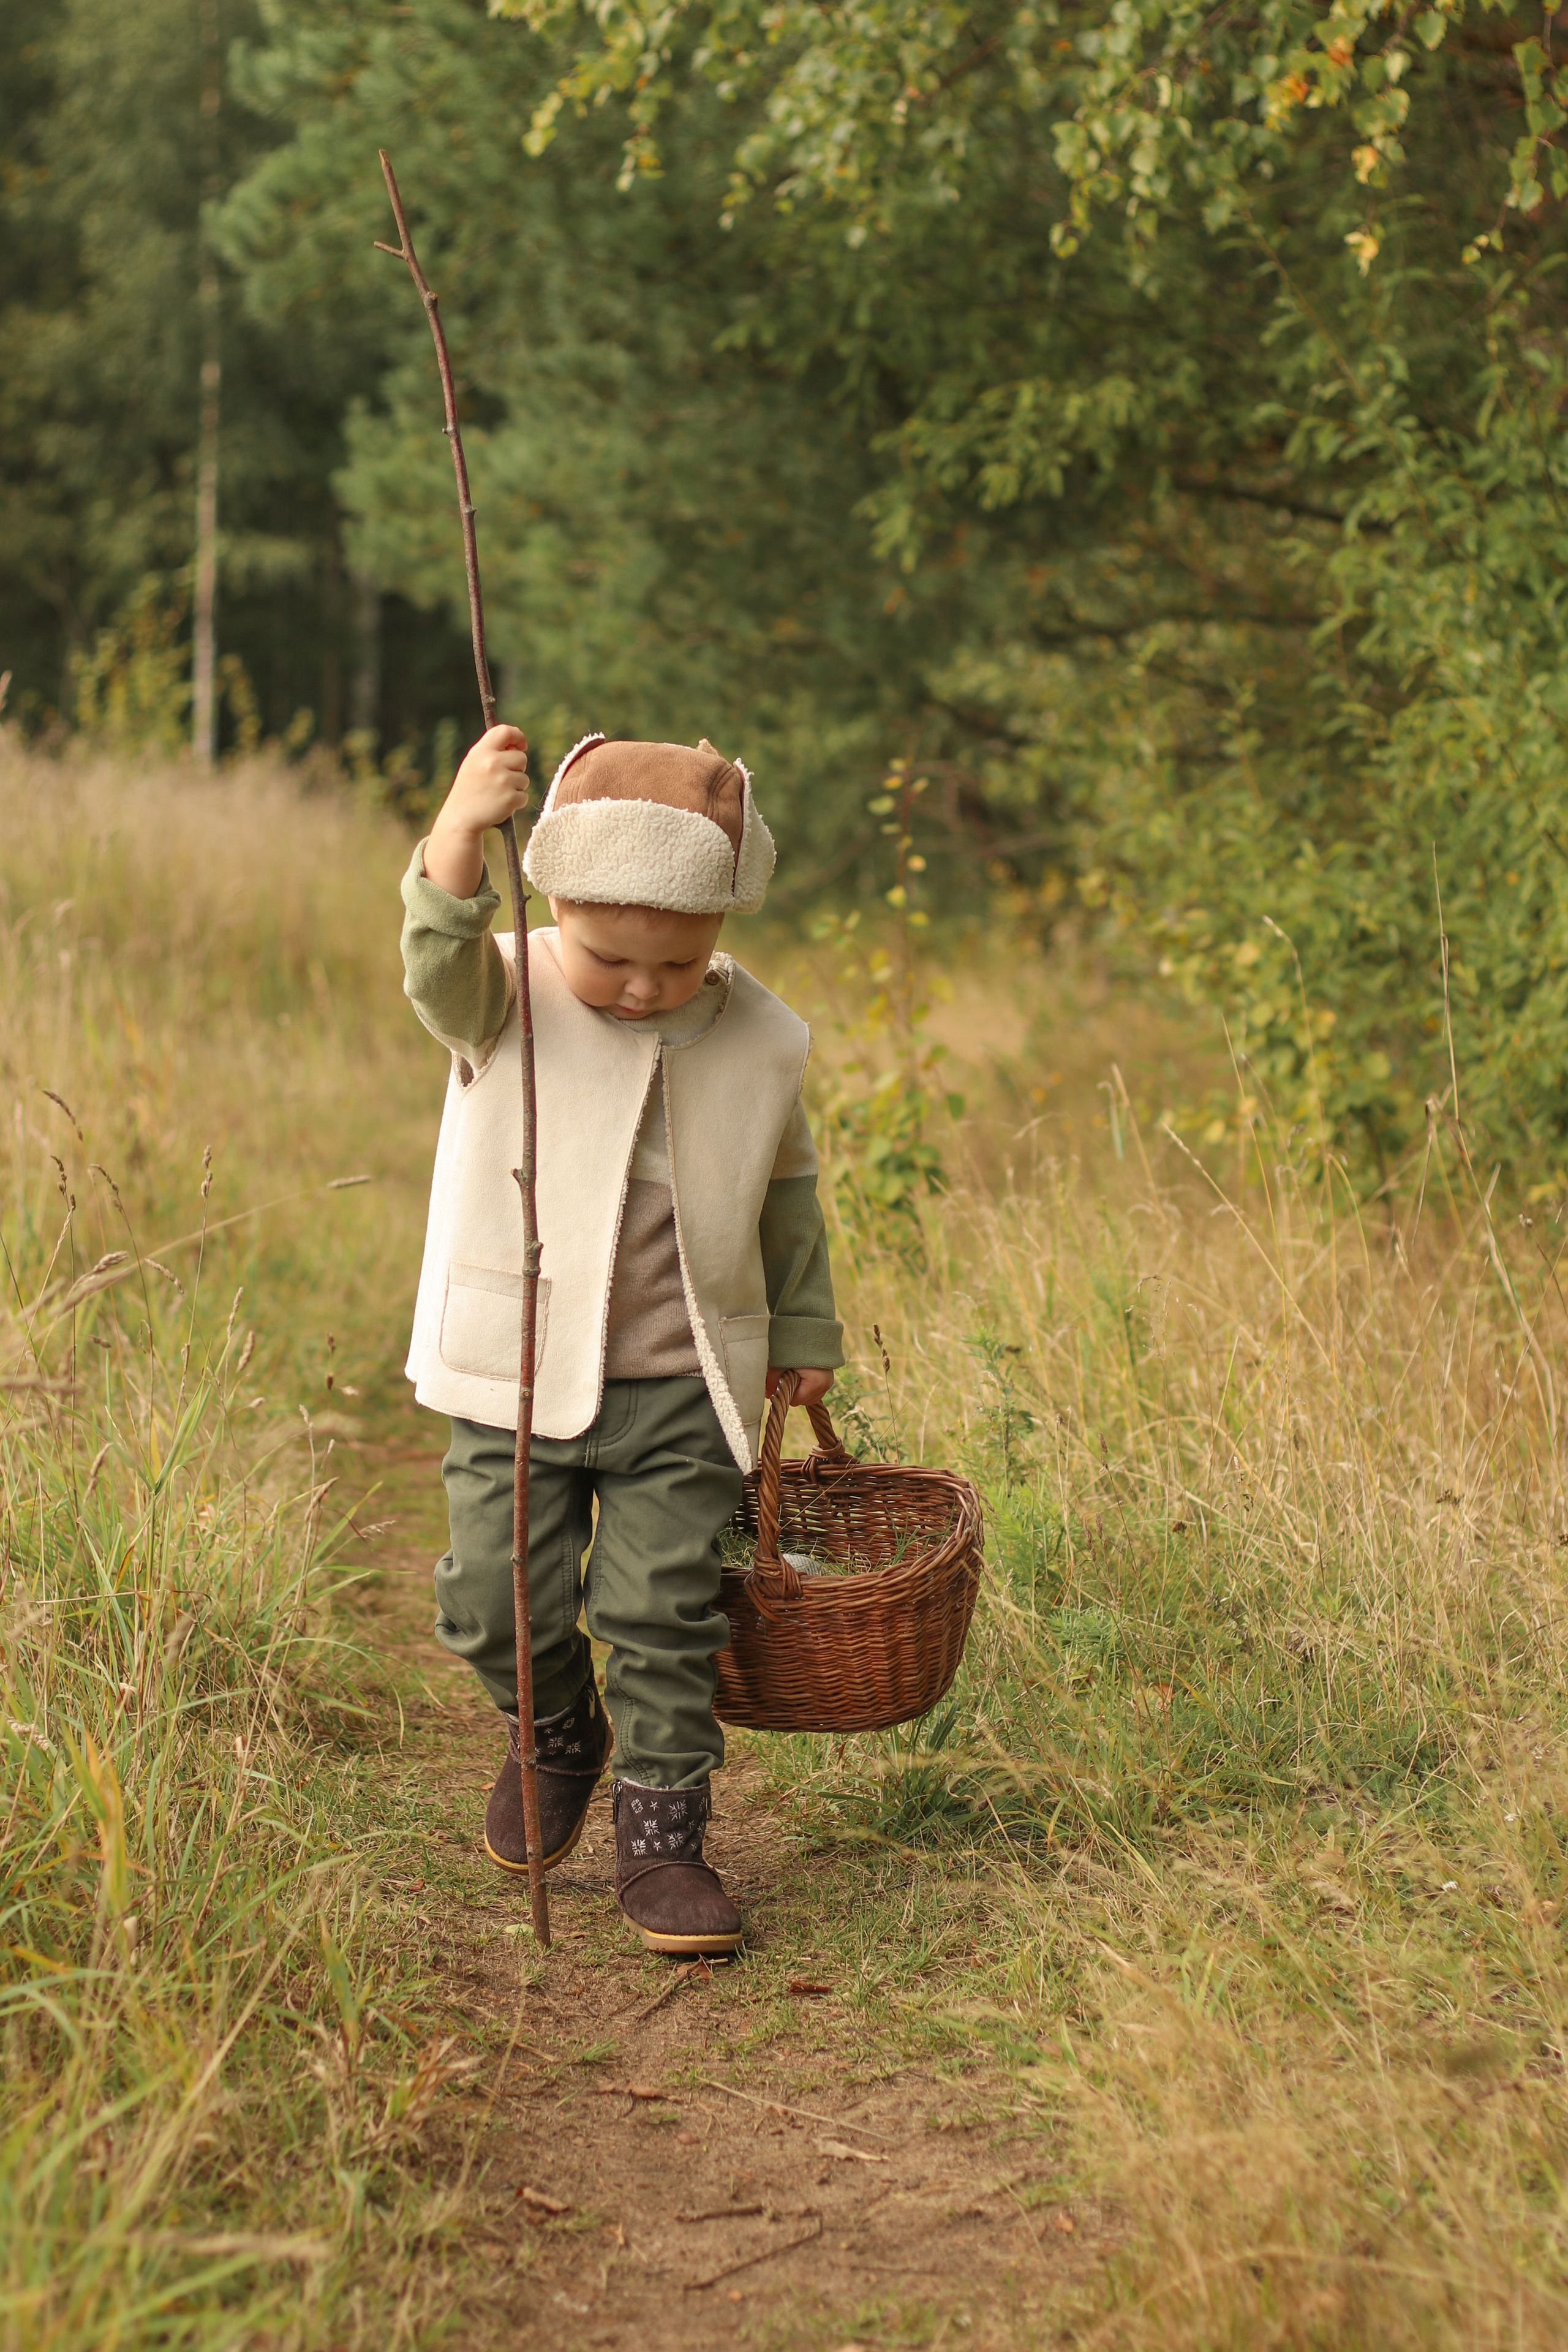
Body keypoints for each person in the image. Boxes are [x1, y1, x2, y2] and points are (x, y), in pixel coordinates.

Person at [399, 725, 842, 1956]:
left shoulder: (760, 1036)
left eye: (675, 960)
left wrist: (801, 1333)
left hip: (681, 1387)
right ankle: (551, 1734)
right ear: (553, 909)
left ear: (721, 926)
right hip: (517, 1375)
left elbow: (785, 1196)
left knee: (662, 1613)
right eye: (608, 958)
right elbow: (431, 966)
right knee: (497, 1597)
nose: (640, 988)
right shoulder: (507, 995)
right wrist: (453, 834)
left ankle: (664, 1841)